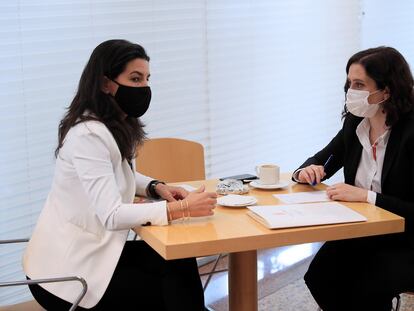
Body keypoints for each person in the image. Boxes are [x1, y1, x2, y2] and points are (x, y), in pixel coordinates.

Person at [23, 39, 217, 310]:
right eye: (135, 79)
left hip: (89, 255)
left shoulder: (107, 126)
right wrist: (182, 208)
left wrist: (156, 187)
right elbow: (112, 215)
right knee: (169, 290)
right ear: (106, 83)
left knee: (178, 259)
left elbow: (116, 173)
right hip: (66, 277)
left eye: (147, 79)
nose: (144, 88)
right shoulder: (88, 135)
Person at [293, 46, 414, 311]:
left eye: (359, 84)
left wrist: (368, 197)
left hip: (404, 238)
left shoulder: (409, 132)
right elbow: (320, 159)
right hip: (362, 231)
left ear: (387, 90)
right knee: (319, 276)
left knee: (366, 283)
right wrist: (306, 172)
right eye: (349, 83)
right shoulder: (356, 123)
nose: (351, 91)